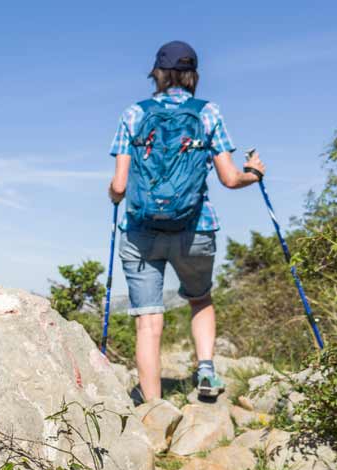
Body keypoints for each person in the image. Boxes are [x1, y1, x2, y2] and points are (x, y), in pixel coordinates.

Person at [108, 40, 266, 401]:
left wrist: (115, 195)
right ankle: (206, 370)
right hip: (195, 228)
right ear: (193, 74)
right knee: (200, 299)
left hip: (140, 231)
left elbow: (119, 186)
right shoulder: (207, 112)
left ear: (158, 73)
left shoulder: (134, 113)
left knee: (148, 322)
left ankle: (152, 408)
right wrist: (253, 173)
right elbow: (229, 179)